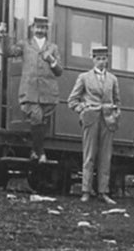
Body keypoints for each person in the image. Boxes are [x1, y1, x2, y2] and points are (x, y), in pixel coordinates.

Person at [67, 44, 121, 204]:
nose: (101, 62)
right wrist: (83, 109)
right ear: (93, 59)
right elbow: (72, 101)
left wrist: (115, 115)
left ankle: (103, 192)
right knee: (89, 156)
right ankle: (85, 191)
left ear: (108, 59)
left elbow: (118, 101)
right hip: (90, 120)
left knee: (106, 156)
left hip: (108, 121)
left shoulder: (113, 79)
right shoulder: (84, 77)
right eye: (98, 59)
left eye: (104, 59)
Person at [14, 16, 63, 163]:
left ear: (47, 29)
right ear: (32, 28)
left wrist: (51, 60)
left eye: (43, 27)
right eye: (38, 27)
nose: (40, 30)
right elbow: (8, 52)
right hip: (30, 90)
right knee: (36, 117)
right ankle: (40, 152)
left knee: (42, 121)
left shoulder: (53, 47)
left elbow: (59, 71)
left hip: (48, 91)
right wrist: (2, 35)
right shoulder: (25, 45)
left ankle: (35, 152)